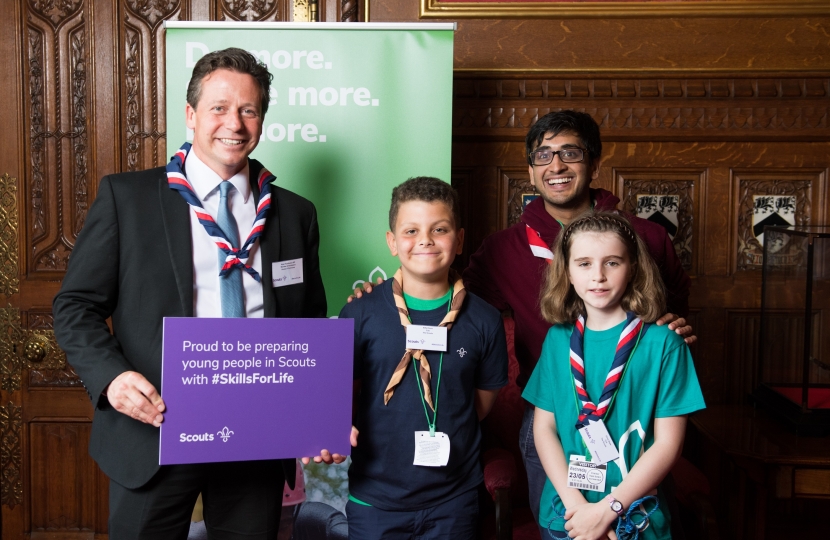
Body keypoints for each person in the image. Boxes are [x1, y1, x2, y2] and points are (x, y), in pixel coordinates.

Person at [52, 48, 327, 539]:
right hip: (155, 429)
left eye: (249, 110)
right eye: (220, 108)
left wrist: (312, 416)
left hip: (256, 434)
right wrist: (112, 379)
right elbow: (75, 306)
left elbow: (307, 320)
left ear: (262, 120)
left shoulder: (294, 213)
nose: (235, 124)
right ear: (190, 115)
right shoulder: (128, 198)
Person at [461, 110, 694, 523]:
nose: (556, 165)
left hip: (636, 415)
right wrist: (387, 293)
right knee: (563, 525)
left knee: (635, 524)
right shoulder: (502, 249)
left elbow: (674, 313)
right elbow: (452, 303)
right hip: (551, 419)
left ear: (595, 163)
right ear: (530, 171)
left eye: (570, 152)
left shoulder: (650, 238)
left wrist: (676, 325)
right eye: (543, 155)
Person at [335, 177, 508, 539]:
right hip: (375, 500)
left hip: (454, 500)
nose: (425, 240)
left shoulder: (484, 319)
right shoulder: (360, 313)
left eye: (439, 229)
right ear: (392, 242)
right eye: (411, 230)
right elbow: (342, 400)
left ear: (459, 240)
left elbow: (478, 405)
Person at [522, 212, 705, 539]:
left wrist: (607, 511)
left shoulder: (664, 343)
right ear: (566, 271)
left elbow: (668, 444)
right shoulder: (557, 339)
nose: (598, 276)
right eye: (584, 263)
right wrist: (577, 508)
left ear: (632, 267)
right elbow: (545, 429)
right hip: (567, 515)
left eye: (612, 263)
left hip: (634, 517)